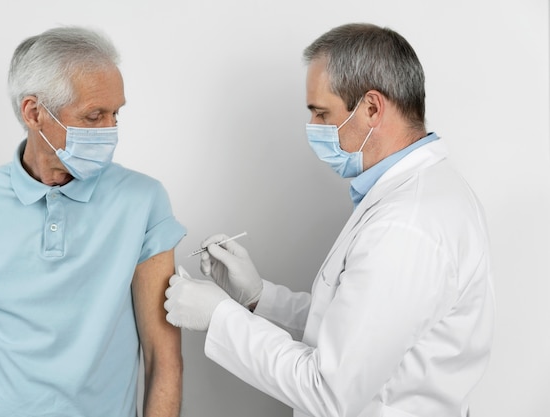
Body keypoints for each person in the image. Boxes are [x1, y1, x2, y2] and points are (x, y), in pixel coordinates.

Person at [164, 23, 494, 417]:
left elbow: (329, 392)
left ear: (372, 108)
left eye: (322, 114)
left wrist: (219, 316)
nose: (313, 129)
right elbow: (356, 326)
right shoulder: (425, 192)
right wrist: (257, 297)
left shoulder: (407, 226)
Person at [0, 26, 185, 417]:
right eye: (94, 116)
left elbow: (163, 358)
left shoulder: (143, 201)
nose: (111, 131)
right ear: (34, 112)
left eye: (116, 113)